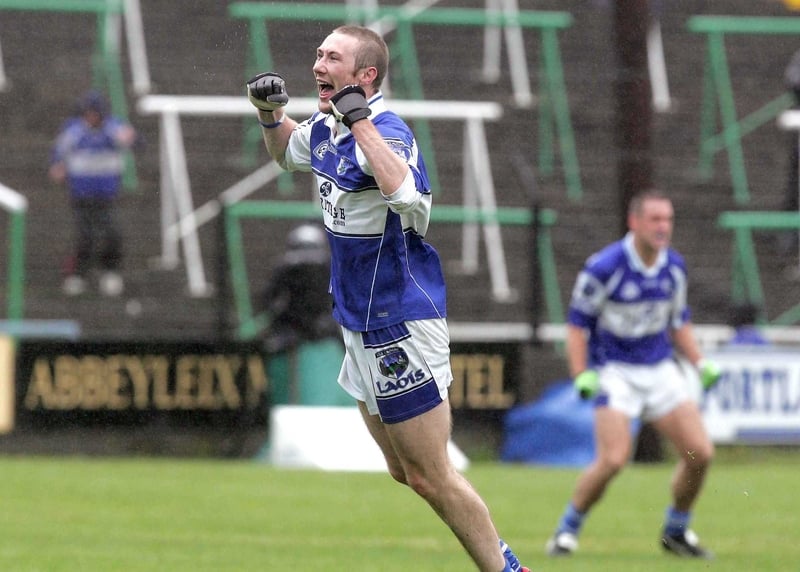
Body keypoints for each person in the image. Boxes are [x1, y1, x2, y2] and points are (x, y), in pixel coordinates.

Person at [246, 25, 530, 572]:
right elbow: (287, 153)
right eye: (318, 54)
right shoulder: (328, 127)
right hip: (358, 321)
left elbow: (407, 195)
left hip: (399, 318)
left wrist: (360, 121)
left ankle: (508, 570)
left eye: (333, 57)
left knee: (431, 474)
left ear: (365, 76)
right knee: (407, 472)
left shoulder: (389, 131)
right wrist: (268, 114)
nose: (318, 65)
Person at [545, 190, 721, 559]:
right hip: (614, 373)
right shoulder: (604, 268)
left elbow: (678, 322)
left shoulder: (673, 268)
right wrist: (581, 374)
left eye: (668, 219)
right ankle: (566, 530)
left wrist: (700, 363)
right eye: (655, 219)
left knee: (699, 453)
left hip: (659, 370)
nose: (663, 227)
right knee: (613, 459)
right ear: (635, 222)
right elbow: (577, 325)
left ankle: (676, 531)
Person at [49, 90, 137, 297]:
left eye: (95, 113)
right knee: (85, 235)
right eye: (88, 113)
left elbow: (136, 142)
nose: (91, 117)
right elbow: (58, 152)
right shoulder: (74, 130)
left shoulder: (113, 127)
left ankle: (111, 272)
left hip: (106, 195)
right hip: (81, 194)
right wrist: (57, 166)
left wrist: (130, 138)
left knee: (113, 233)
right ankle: (77, 275)